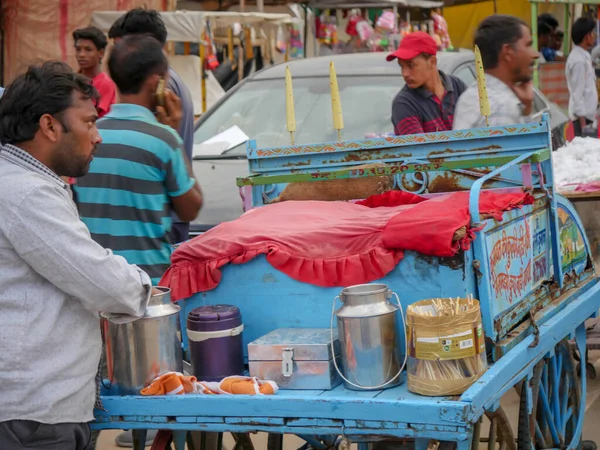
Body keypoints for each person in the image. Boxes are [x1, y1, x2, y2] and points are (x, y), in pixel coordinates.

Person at [0, 61, 155, 450]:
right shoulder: (26, 194)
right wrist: (143, 287)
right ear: (50, 126)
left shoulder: (20, 181)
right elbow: (102, 283)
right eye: (89, 122)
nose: (97, 136)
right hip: (32, 416)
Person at [74, 35, 202, 448]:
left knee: (89, 396)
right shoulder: (162, 139)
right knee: (157, 391)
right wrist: (177, 132)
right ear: (158, 82)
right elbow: (190, 208)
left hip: (90, 289)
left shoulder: (89, 135)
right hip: (146, 295)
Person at [109, 8, 196, 245]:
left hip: (161, 215)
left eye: (123, 47)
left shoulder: (160, 90)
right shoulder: (167, 82)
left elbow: (151, 152)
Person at [453, 15, 539, 130]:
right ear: (508, 52)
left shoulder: (470, 95)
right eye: (528, 45)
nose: (535, 54)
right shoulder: (502, 106)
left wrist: (526, 109)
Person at [387, 31, 467, 136]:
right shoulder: (404, 103)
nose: (404, 73)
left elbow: (478, 129)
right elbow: (420, 149)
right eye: (401, 66)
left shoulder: (457, 86)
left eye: (411, 65)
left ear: (432, 62)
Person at [73, 26, 117, 118]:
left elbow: (90, 115)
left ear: (101, 53)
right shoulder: (73, 80)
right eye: (78, 49)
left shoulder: (105, 83)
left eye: (88, 50)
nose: (81, 55)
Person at [566, 17, 598, 137]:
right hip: (582, 121)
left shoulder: (584, 55)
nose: (594, 35)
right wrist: (584, 126)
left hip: (588, 117)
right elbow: (577, 94)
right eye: (592, 32)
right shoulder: (578, 61)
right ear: (586, 36)